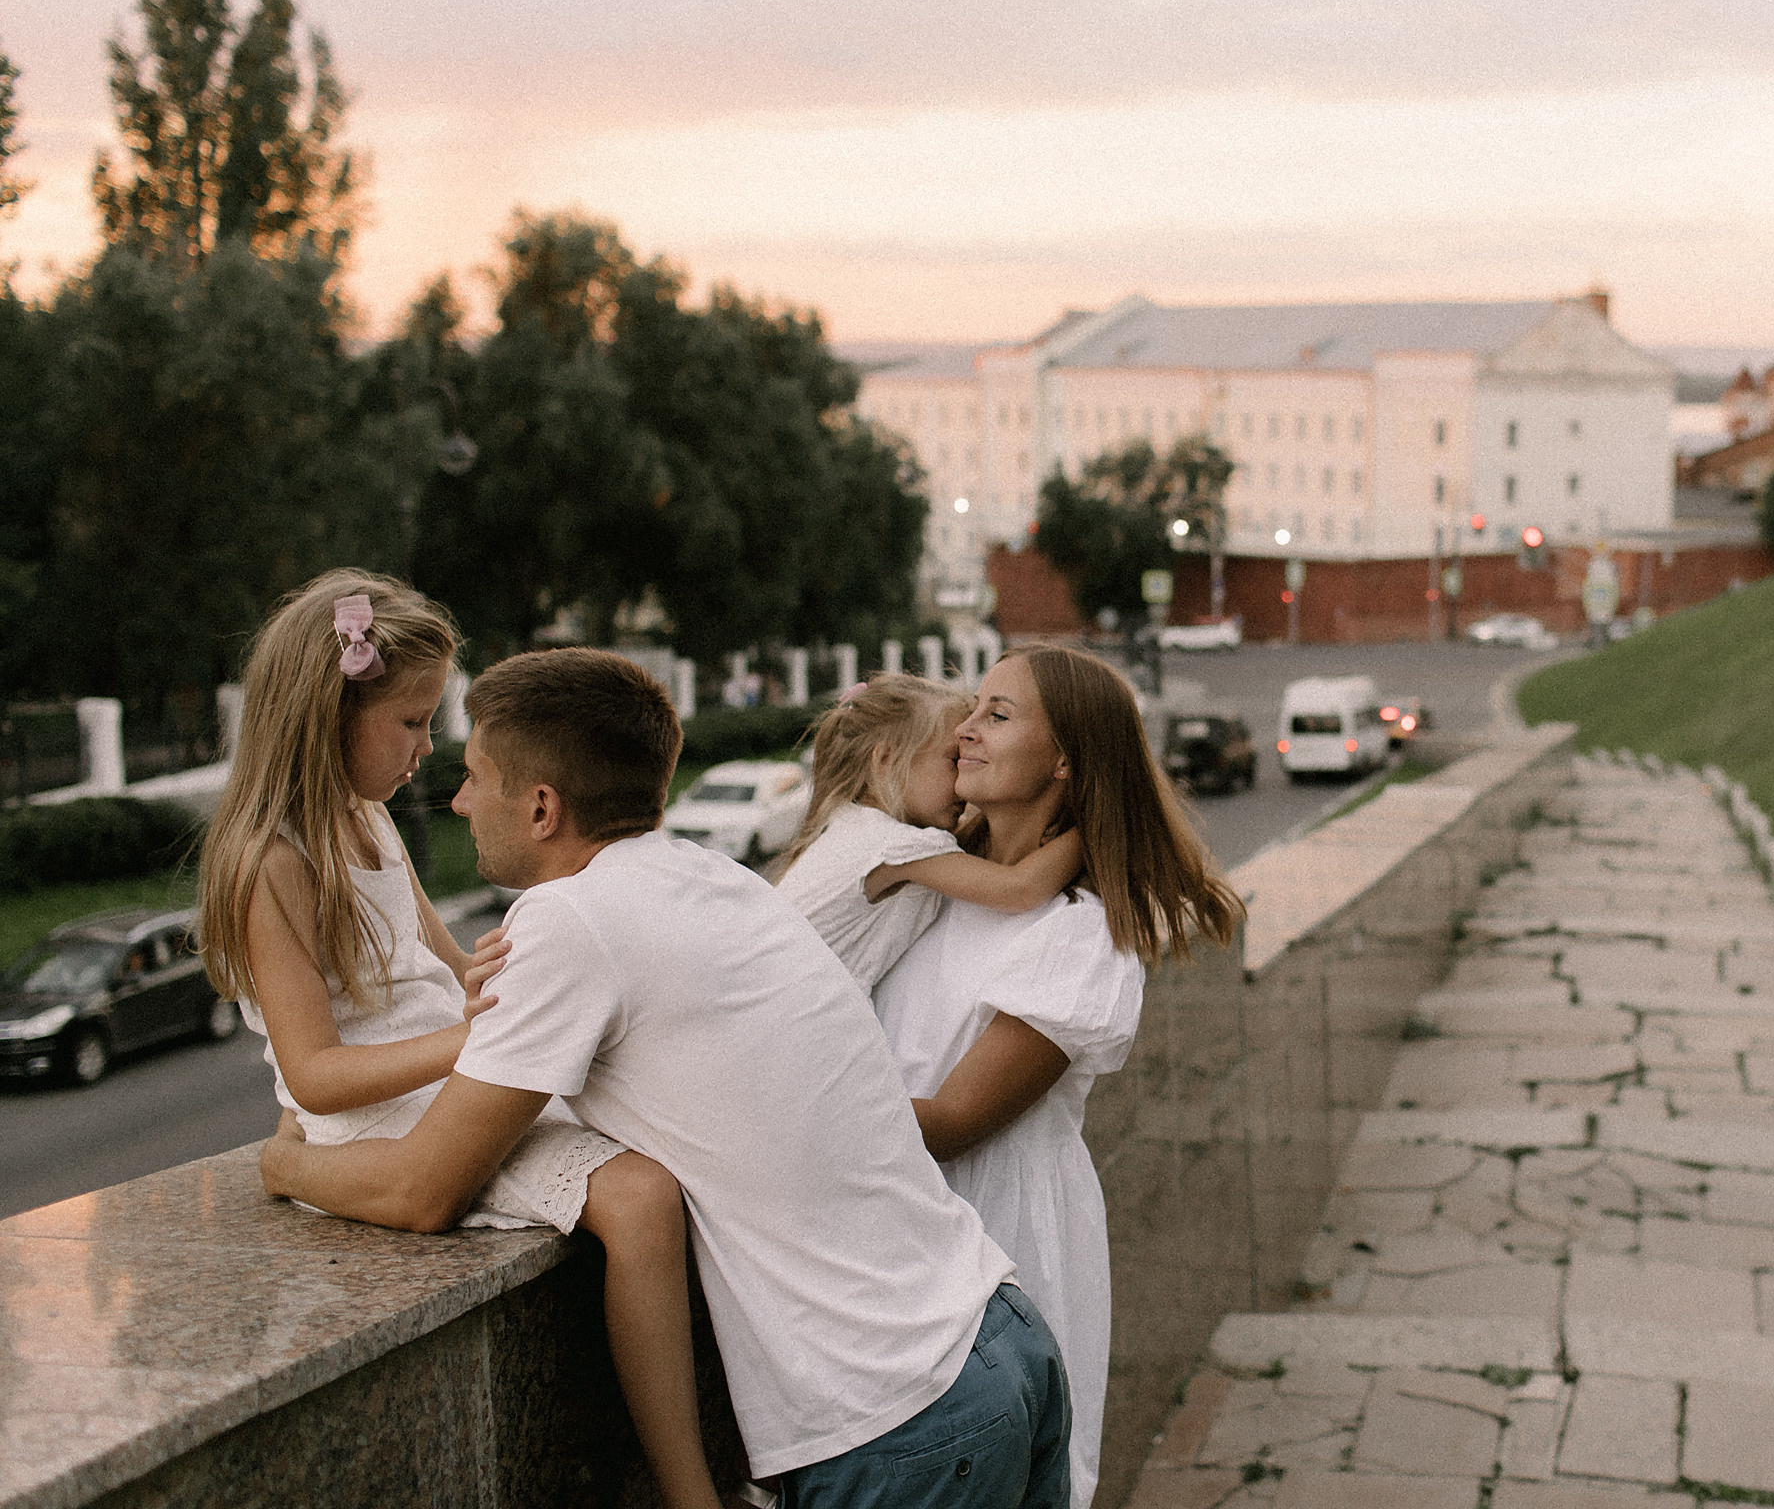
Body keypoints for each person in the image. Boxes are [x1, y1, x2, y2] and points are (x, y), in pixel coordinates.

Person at [258, 647, 1069, 1508]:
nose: (456, 799)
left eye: (474, 775)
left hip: (901, 1415)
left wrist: (282, 1166)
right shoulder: (716, 879)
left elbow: (425, 1188)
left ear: (541, 807)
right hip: (1002, 1335)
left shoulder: (570, 921)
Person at [199, 572, 723, 1509]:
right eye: (410, 721)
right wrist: (477, 1040)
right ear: (329, 712)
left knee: (677, 1124)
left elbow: (440, 967)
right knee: (640, 1196)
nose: (427, 748)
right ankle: (688, 1489)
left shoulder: (368, 820)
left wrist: (518, 975)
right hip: (380, 1120)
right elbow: (315, 1076)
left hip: (457, 1071)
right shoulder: (270, 862)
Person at [873, 644, 1243, 1509]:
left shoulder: (1081, 932)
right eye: (973, 708)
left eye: (998, 716)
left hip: (997, 1232)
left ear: (1067, 760)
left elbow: (960, 1117)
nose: (965, 728)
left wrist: (782, 1112)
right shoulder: (931, 882)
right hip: (891, 1224)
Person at [773, 673, 1084, 992]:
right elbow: (1020, 889)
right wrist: (1092, 828)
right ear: (886, 760)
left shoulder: (851, 825)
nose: (962, 778)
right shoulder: (892, 845)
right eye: (954, 760)